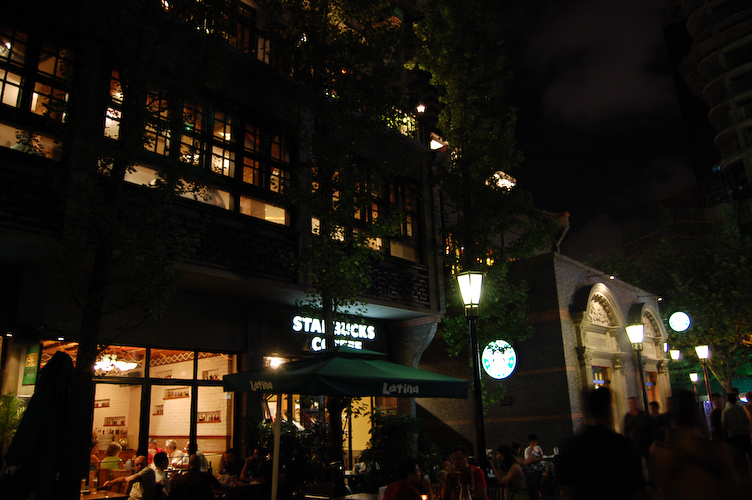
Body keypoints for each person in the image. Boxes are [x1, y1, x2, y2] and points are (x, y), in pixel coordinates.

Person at [649, 390, 743, 500]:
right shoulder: (716, 452)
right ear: (697, 417)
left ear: (673, 417)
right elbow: (734, 488)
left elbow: (659, 489)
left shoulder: (661, 454)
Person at [557, 387, 646, 500]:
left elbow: (566, 491)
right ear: (609, 411)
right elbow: (638, 488)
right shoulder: (620, 445)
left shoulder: (570, 446)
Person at [721, 390, 752, 482]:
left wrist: (723, 438)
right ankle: (749, 475)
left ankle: (742, 478)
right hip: (745, 435)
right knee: (748, 457)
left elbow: (724, 426)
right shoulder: (742, 409)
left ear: (727, 399)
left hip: (734, 436)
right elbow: (747, 421)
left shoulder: (726, 411)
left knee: (738, 458)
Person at [623, 396, 651, 461]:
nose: (633, 404)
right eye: (631, 403)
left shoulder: (644, 415)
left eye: (634, 402)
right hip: (634, 444)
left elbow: (649, 428)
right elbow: (626, 430)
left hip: (644, 443)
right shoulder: (628, 417)